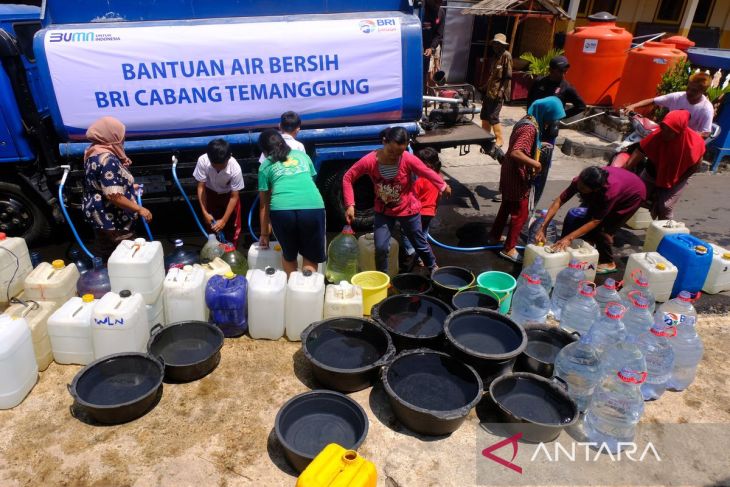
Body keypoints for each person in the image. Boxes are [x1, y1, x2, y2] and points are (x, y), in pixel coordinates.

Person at [342, 127, 451, 273]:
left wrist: (443, 185)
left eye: (399, 152)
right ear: (384, 142)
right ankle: (384, 278)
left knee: (419, 244)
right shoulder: (369, 161)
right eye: (391, 151)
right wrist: (350, 204)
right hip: (383, 210)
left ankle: (433, 267)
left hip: (408, 209)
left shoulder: (407, 158)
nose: (394, 156)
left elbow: (426, 172)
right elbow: (348, 177)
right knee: (380, 247)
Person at [487, 96, 565, 263]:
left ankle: (494, 236)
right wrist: (536, 164)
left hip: (510, 171)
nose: (552, 123)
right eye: (552, 119)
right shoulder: (529, 128)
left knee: (507, 205)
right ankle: (509, 248)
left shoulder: (529, 120)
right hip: (516, 174)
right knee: (520, 213)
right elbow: (516, 152)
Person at [536, 166, 646, 274]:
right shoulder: (581, 181)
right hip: (619, 183)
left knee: (604, 229)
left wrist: (569, 238)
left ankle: (608, 262)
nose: (579, 189)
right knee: (588, 216)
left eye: (583, 189)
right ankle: (588, 246)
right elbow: (559, 201)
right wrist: (543, 226)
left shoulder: (608, 193)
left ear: (596, 189)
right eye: (579, 185)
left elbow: (596, 221)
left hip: (632, 195)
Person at [82, 116, 152, 260]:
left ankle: (109, 277)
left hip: (99, 214)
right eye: (120, 135)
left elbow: (102, 183)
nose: (123, 138)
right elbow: (114, 196)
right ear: (111, 135)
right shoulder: (107, 159)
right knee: (128, 254)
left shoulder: (93, 152)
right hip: (112, 216)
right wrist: (140, 209)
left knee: (107, 252)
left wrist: (129, 187)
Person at [258, 129, 326, 275]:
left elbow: (263, 204)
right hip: (312, 207)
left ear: (264, 151)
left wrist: (264, 234)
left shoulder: (264, 167)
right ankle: (307, 289)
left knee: (289, 255)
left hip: (282, 210)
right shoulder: (302, 156)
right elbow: (311, 179)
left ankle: (293, 288)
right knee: (310, 255)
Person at [526, 55, 586, 205]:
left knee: (541, 166)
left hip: (548, 133)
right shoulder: (539, 82)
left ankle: (534, 199)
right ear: (551, 70)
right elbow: (530, 101)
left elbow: (581, 106)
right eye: (560, 70)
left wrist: (560, 117)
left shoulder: (567, 88)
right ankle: (521, 191)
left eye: (566, 70)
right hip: (532, 127)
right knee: (526, 160)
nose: (563, 73)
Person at [624, 109, 705, 220]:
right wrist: (622, 172)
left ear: (679, 131)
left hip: (678, 177)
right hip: (652, 173)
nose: (665, 133)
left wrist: (675, 183)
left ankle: (665, 233)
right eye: (663, 128)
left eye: (670, 131)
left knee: (665, 207)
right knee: (635, 197)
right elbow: (639, 153)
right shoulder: (656, 135)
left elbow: (695, 167)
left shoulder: (694, 144)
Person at [625, 72, 713, 136]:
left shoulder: (706, 109)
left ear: (703, 91)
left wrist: (687, 135)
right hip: (665, 133)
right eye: (688, 88)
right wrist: (633, 106)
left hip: (684, 140)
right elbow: (653, 100)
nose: (689, 92)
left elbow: (706, 133)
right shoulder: (678, 97)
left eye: (694, 91)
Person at [194, 139, 244, 247]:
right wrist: (205, 212)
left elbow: (234, 197)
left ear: (229, 157)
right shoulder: (202, 160)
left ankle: (232, 252)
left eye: (222, 165)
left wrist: (224, 220)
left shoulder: (235, 168)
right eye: (214, 165)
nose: (218, 168)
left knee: (233, 229)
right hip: (210, 194)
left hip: (229, 196)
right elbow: (201, 187)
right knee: (211, 227)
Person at [400, 147, 443, 270]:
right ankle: (422, 258)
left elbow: (412, 198)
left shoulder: (419, 180)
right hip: (430, 213)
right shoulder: (438, 177)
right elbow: (439, 195)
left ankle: (411, 252)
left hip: (417, 213)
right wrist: (434, 208)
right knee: (423, 235)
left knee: (406, 232)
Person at [479, 33, 512, 148]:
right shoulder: (495, 57)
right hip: (490, 91)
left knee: (493, 116)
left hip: (498, 92)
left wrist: (501, 91)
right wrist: (484, 87)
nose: (495, 46)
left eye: (498, 44)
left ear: (502, 45)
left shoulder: (506, 56)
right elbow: (492, 76)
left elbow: (507, 77)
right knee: (484, 115)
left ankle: (499, 139)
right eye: (494, 44)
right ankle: (485, 137)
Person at [422, 0, 445, 92]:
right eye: (436, 2)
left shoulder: (441, 12)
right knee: (428, 73)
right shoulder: (422, 9)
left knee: (436, 70)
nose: (438, 5)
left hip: (434, 45)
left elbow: (439, 34)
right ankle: (425, 93)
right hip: (423, 46)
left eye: (440, 2)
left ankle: (432, 94)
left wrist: (432, 47)